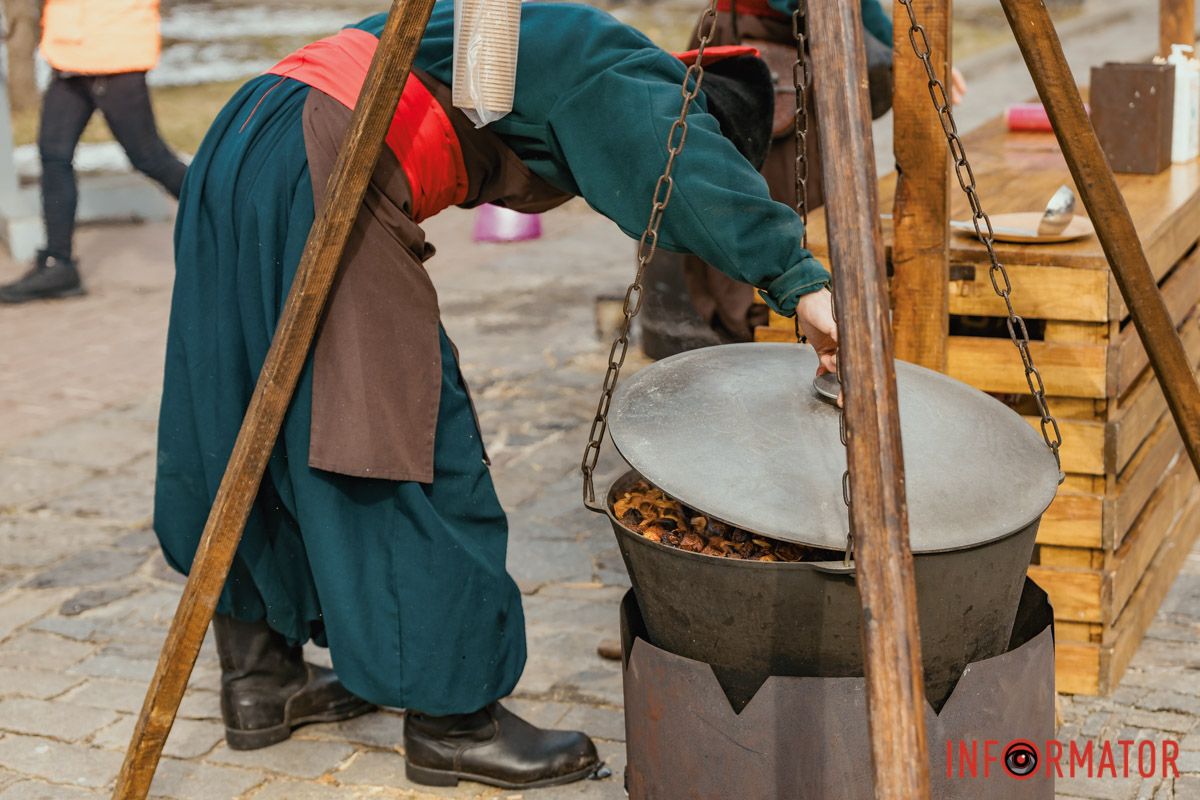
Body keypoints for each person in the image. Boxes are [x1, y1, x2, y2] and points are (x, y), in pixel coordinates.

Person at [153, 0, 837, 790]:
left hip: (247, 137)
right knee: (401, 428)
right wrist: (798, 280)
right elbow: (670, 150)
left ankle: (260, 678)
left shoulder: (543, 38)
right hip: (329, 148)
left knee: (245, 411)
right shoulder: (627, 72)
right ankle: (456, 722)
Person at [665, 0, 966, 350]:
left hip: (811, 44)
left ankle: (804, 328)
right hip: (760, 42)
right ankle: (761, 337)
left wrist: (910, 51)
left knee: (814, 206)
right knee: (756, 199)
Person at [0, 0, 187, 304]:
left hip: (111, 51)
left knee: (149, 157)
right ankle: (58, 264)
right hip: (72, 52)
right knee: (54, 154)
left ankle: (237, 217)